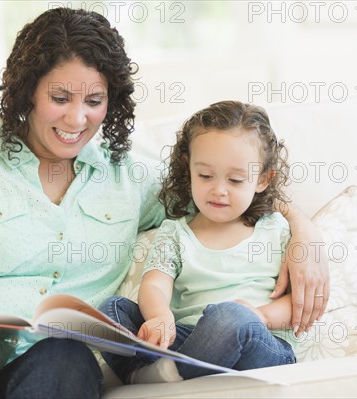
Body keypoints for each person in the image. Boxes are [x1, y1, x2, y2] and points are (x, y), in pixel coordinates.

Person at [0, 8, 328, 399]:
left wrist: (304, 233)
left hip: (40, 358)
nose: (77, 118)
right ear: (27, 92)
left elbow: (225, 193)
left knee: (69, 357)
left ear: (112, 102)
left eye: (94, 101)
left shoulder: (132, 179)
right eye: (59, 97)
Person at [100, 101, 301, 384]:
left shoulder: (276, 229)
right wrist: (159, 316)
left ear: (263, 179)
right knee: (111, 310)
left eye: (235, 180)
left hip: (260, 345)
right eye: (205, 176)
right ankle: (142, 375)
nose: (218, 190)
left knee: (232, 316)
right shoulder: (175, 233)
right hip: (187, 339)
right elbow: (156, 283)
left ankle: (173, 378)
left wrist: (261, 315)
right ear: (188, 169)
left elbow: (298, 301)